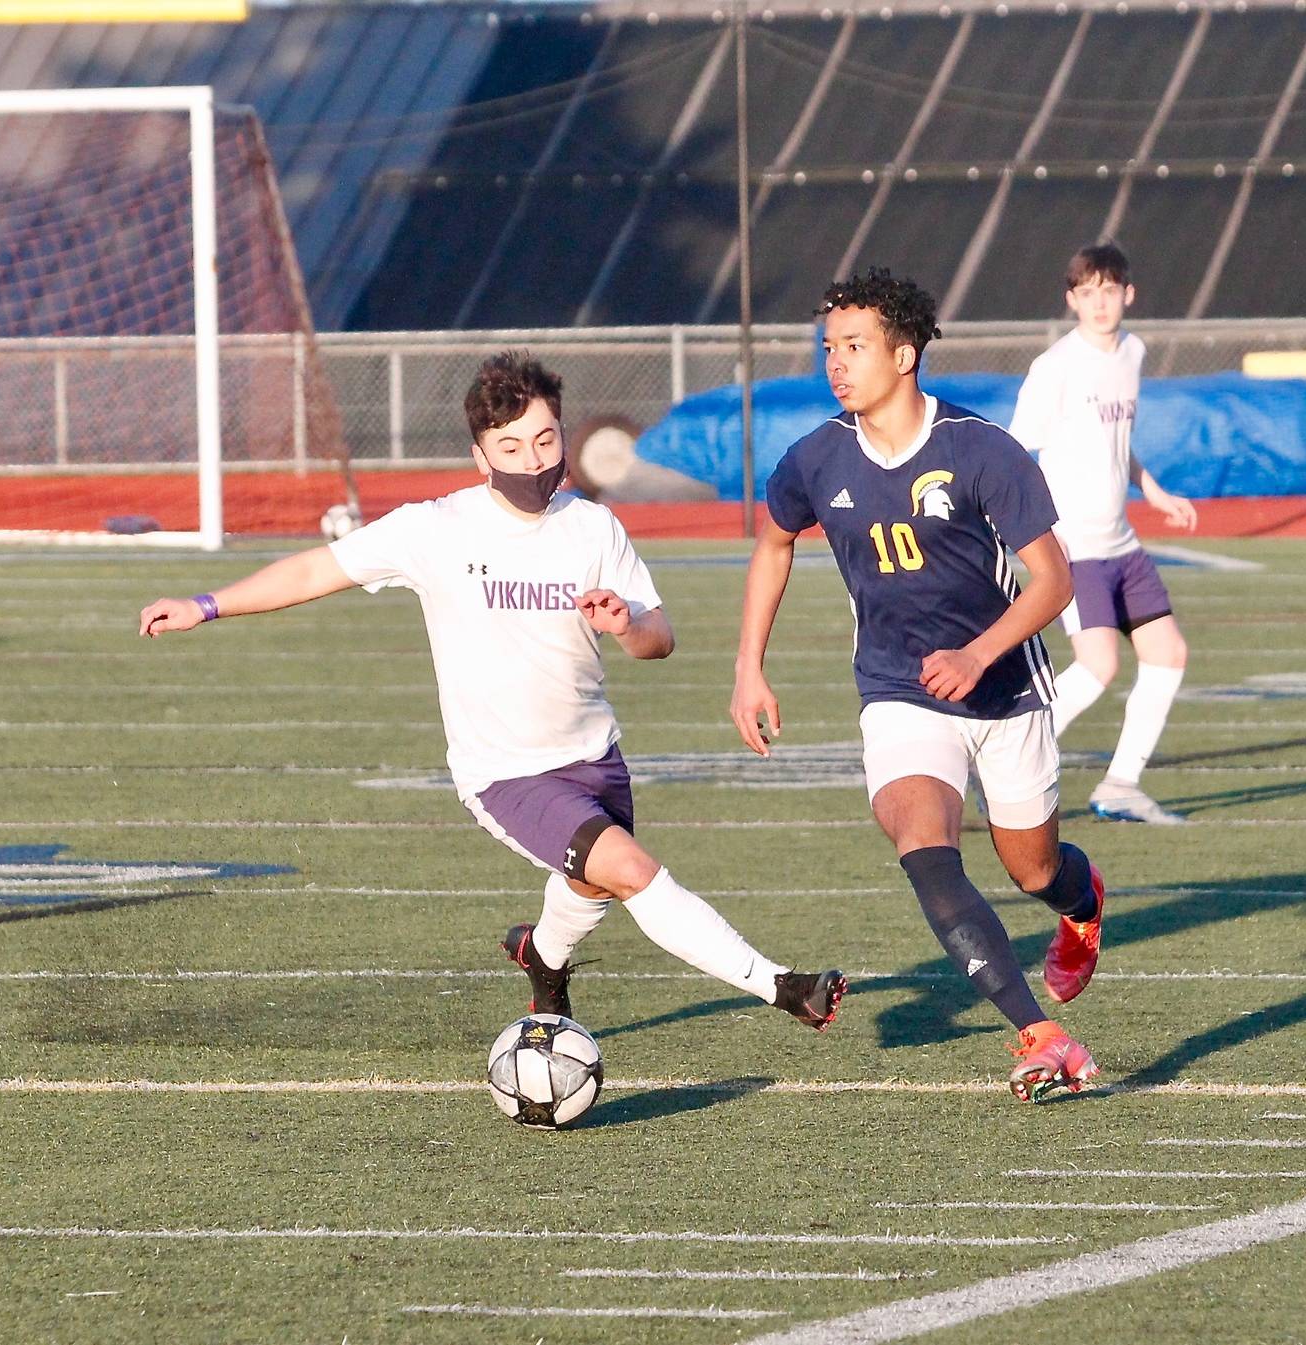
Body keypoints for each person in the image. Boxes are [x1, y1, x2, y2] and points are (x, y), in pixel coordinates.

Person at [139, 351, 846, 1035]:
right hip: (504, 772)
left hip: (595, 757)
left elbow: (659, 637)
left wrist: (627, 624)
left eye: (544, 439)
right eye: (510, 447)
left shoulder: (592, 525)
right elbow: (311, 573)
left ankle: (542, 956)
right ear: (481, 457)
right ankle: (783, 985)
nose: (533, 460)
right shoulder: (433, 528)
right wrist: (206, 604)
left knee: (591, 883)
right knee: (627, 868)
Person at [730, 269, 1106, 1104]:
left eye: (854, 346)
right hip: (898, 690)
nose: (836, 362)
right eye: (829, 347)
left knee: (1034, 870)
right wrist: (748, 664)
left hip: (1005, 689)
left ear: (904, 354)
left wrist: (977, 653)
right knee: (924, 850)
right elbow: (775, 541)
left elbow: (1052, 582)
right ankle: (1039, 1034)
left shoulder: (980, 450)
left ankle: (1082, 906)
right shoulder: (815, 457)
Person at [1008, 242, 1196, 827]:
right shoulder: (1056, 366)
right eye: (1087, 292)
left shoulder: (1132, 352)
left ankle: (1120, 785)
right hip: (1075, 544)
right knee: (1098, 666)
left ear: (1127, 295)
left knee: (1168, 654)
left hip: (1123, 542)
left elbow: (1117, 441)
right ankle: (1005, 760)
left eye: (1108, 291)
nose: (1099, 303)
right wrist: (1026, 532)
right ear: (1071, 300)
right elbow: (1017, 452)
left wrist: (1153, 487)